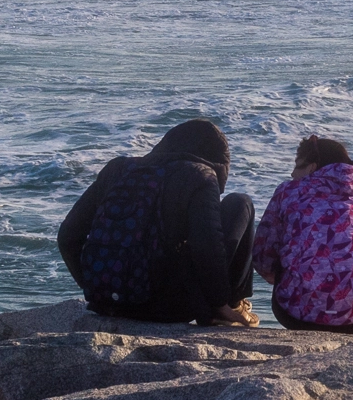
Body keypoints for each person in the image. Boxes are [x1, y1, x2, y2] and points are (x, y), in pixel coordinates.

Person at [57, 118, 256, 326]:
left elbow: (68, 236)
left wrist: (96, 288)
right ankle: (230, 306)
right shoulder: (200, 175)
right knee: (240, 203)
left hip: (106, 303)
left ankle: (111, 294)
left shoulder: (117, 169)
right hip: (167, 309)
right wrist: (218, 303)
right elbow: (206, 247)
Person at [252, 135, 353, 335]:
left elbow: (263, 254)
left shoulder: (287, 191)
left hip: (291, 315)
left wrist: (278, 274)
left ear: (312, 168)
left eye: (297, 166)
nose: (293, 173)